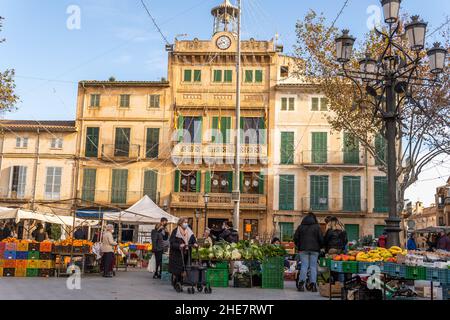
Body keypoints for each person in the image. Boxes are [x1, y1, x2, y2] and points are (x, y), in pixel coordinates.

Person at [293, 212, 323, 293]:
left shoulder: (300, 227)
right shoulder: (317, 227)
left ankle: (301, 284)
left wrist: (299, 245)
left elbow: (295, 238)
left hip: (303, 249)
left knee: (304, 266)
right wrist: (320, 247)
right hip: (315, 250)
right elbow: (321, 239)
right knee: (313, 267)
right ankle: (313, 285)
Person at [169, 217, 198, 288]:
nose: (186, 224)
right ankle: (177, 281)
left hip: (187, 253)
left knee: (186, 267)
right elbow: (172, 243)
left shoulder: (189, 231)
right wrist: (179, 245)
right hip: (177, 254)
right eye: (184, 222)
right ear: (180, 223)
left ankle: (182, 281)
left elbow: (193, 239)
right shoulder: (175, 231)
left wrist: (195, 243)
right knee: (178, 268)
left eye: (187, 222)